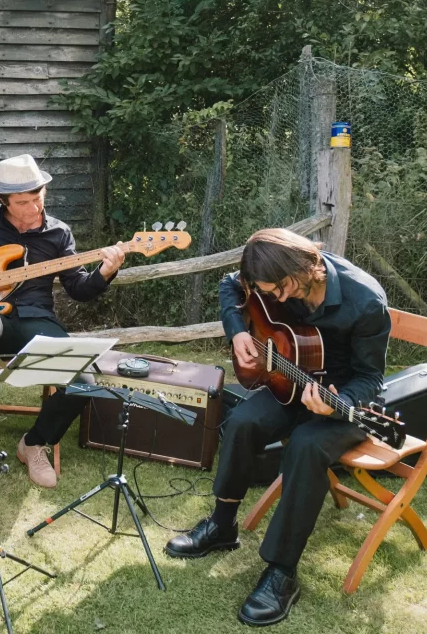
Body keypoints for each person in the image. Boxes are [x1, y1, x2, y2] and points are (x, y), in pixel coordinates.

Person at [165, 228, 391, 626]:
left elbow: (371, 378)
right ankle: (222, 525)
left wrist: (339, 403)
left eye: (283, 289)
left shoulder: (364, 299)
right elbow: (229, 286)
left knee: (305, 444)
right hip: (290, 382)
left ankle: (282, 572)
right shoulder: (271, 282)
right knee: (242, 420)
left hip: (344, 403)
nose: (278, 299)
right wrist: (237, 332)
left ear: (310, 266)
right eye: (269, 293)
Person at [0, 154, 126, 488]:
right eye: (23, 202)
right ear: (3, 200)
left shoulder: (59, 233)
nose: (34, 208)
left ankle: (34, 443)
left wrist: (106, 271)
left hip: (37, 322)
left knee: (86, 381)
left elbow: (78, 289)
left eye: (38, 198)